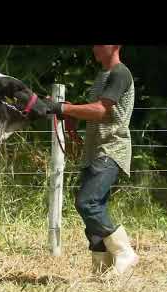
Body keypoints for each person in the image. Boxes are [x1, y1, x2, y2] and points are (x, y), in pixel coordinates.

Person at [44, 45, 139, 277]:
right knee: (93, 210)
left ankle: (125, 252)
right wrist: (71, 118)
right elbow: (92, 111)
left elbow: (101, 111)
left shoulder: (120, 73)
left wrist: (64, 107)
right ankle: (102, 268)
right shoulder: (103, 76)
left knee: (88, 203)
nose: (95, 47)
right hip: (95, 150)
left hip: (111, 149)